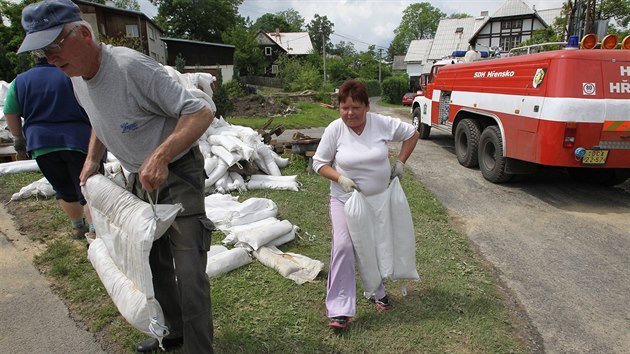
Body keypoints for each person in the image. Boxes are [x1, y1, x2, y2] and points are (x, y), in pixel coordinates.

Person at [17, 0, 216, 352]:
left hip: (177, 171)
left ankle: (198, 348)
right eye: (41, 51)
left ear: (82, 33)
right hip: (141, 176)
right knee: (151, 263)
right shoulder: (76, 76)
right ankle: (172, 334)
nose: (48, 58)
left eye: (52, 46)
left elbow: (200, 112)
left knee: (188, 271)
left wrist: (160, 155)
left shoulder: (129, 67)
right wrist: (93, 157)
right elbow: (99, 118)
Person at [312, 80, 419, 329]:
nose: (350, 113)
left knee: (372, 246)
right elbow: (319, 163)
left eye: (356, 107)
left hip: (377, 201)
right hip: (344, 199)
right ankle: (339, 309)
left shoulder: (380, 123)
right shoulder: (335, 130)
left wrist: (401, 162)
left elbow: (412, 134)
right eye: (344, 107)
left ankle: (376, 292)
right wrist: (340, 178)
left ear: (367, 107)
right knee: (343, 246)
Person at [3, 54, 100, 240]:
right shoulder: (73, 75)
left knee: (63, 189)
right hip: (80, 142)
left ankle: (77, 227)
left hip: (42, 144)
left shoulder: (20, 81)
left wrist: (18, 141)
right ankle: (94, 230)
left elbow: (10, 112)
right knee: (87, 188)